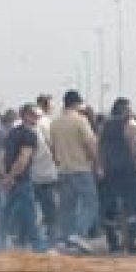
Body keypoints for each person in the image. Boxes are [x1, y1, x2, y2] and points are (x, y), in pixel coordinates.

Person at [98, 98, 136, 254]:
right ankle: (132, 242)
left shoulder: (105, 127)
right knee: (132, 208)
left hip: (109, 172)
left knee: (110, 210)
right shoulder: (132, 127)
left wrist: (100, 167)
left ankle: (113, 243)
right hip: (128, 172)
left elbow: (100, 148)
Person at [50, 90, 100, 251]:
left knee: (67, 208)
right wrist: (97, 163)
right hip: (81, 168)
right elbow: (90, 144)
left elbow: (52, 147)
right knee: (90, 203)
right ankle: (78, 233)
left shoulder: (55, 123)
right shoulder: (80, 121)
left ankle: (65, 238)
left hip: (63, 169)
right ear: (77, 103)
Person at [0, 104, 43, 252]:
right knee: (29, 214)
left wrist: (5, 176)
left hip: (9, 179)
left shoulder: (12, 133)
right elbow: (23, 158)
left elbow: (2, 157)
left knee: (5, 213)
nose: (36, 118)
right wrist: (11, 176)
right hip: (21, 180)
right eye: (33, 115)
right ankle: (38, 247)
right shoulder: (29, 135)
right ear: (25, 116)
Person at [30, 94, 61, 250]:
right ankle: (50, 242)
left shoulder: (33, 123)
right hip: (46, 172)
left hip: (35, 172)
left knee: (36, 210)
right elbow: (53, 145)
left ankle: (38, 240)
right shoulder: (45, 123)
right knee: (50, 211)